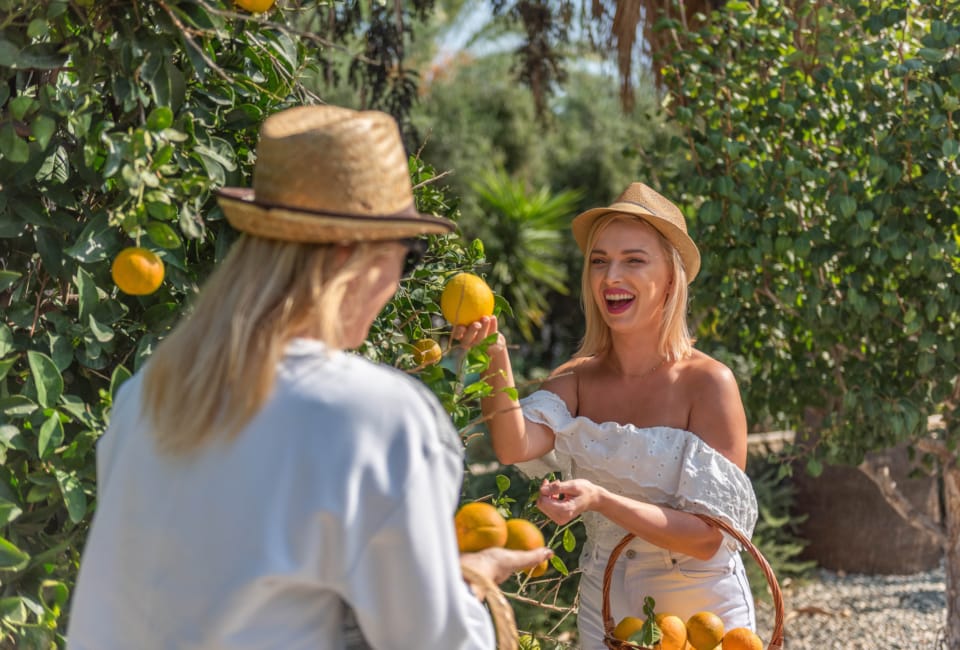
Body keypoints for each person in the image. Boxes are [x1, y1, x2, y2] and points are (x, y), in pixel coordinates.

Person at [66, 105, 551, 650]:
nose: (397, 280)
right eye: (407, 256)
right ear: (352, 254)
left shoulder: (148, 396)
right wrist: (467, 585)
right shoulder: (376, 419)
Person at [455, 182, 759, 649]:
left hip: (703, 612)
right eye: (599, 261)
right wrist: (493, 355)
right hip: (607, 601)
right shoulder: (575, 380)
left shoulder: (709, 383)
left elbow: (708, 539)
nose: (610, 275)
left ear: (672, 279)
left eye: (633, 260)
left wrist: (600, 499)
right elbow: (513, 443)